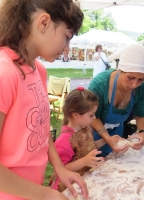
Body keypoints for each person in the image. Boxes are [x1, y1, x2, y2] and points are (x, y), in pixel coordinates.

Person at [0, 1, 88, 200]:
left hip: (30, 191)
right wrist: (46, 195)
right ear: (44, 23)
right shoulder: (5, 72)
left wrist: (59, 167)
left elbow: (41, 128)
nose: (67, 48)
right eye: (66, 37)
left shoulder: (38, 70)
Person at [88, 43, 144, 157]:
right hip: (95, 134)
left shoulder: (143, 87)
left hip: (118, 134)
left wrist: (143, 132)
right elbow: (93, 117)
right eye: (130, 78)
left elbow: (141, 115)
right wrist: (107, 138)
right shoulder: (99, 84)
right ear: (120, 69)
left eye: (141, 79)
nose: (134, 85)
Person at [50, 87, 110, 192]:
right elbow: (61, 169)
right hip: (68, 186)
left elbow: (89, 147)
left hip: (84, 179)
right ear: (76, 115)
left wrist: (106, 140)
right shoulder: (64, 141)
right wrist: (84, 161)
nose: (94, 118)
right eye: (91, 115)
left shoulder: (86, 128)